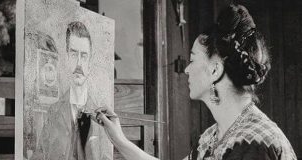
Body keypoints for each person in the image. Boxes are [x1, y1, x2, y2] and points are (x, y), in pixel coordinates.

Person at [95, 4, 297, 160]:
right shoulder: (216, 134)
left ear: (215, 69)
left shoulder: (254, 143)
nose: (186, 69)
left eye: (192, 60)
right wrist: (119, 139)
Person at [32, 21, 110, 160]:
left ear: (89, 63)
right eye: (74, 55)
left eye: (84, 56)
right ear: (67, 58)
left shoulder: (102, 116)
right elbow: (39, 156)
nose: (79, 63)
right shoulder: (53, 112)